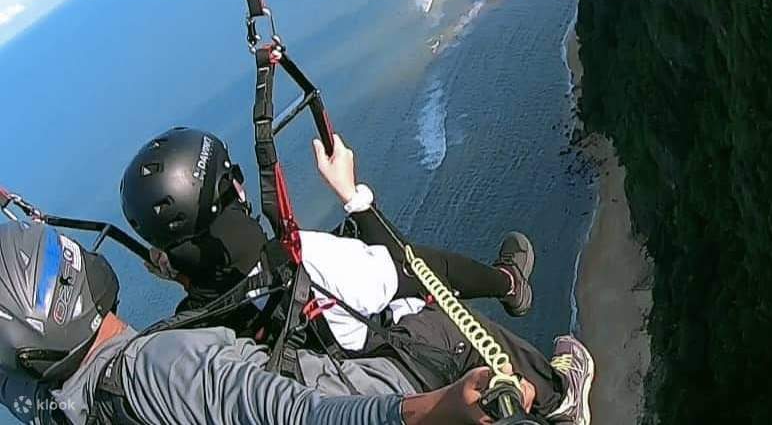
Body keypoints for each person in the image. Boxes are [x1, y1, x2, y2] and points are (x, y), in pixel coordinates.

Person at [119, 127, 594, 425]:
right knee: (440, 320)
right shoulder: (304, 259)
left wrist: (181, 273)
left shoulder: (188, 335)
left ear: (167, 257)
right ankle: (558, 395)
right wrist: (352, 196)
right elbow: (416, 270)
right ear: (234, 193)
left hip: (319, 398)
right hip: (402, 387)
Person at [0, 221, 534, 425]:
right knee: (433, 323)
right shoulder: (157, 367)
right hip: (381, 390)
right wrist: (438, 408)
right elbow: (303, 416)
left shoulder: (56, 407)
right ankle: (560, 391)